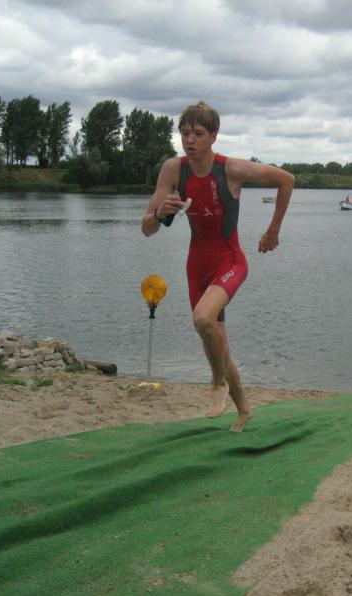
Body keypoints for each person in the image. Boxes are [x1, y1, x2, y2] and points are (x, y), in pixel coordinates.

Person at [141, 100, 294, 431]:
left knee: (202, 319)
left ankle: (217, 382)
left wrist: (273, 230)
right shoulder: (173, 170)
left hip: (230, 259)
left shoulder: (231, 170)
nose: (190, 140)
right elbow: (147, 229)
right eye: (185, 133)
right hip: (197, 264)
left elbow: (286, 179)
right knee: (215, 338)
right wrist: (159, 213)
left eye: (198, 133)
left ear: (213, 136)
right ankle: (244, 410)